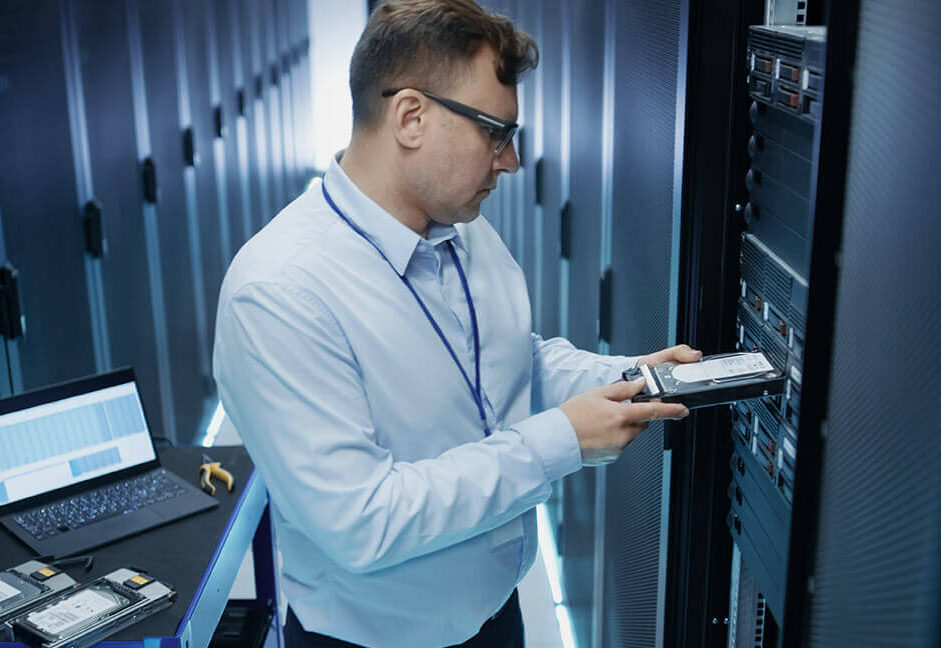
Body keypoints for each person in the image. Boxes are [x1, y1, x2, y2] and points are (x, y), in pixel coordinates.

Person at [212, 1, 700, 645]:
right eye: (495, 133)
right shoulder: (279, 293)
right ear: (410, 117)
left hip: (496, 613)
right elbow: (363, 519)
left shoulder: (462, 231)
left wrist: (632, 377)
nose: (511, 162)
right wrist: (561, 441)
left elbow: (508, 360)